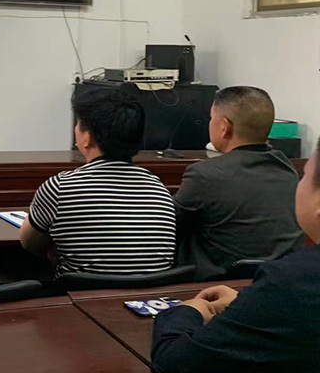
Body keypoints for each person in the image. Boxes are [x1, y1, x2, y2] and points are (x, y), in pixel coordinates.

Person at [152, 138, 320, 372]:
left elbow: (174, 362)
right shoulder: (291, 287)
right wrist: (253, 303)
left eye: (304, 177)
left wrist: (187, 311)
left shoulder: (292, 281)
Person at [20, 88, 176, 277]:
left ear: (87, 137)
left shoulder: (61, 187)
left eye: (78, 124)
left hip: (79, 300)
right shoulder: (157, 187)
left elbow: (28, 242)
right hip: (148, 301)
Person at [174, 86, 303, 280]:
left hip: (219, 284)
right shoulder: (289, 170)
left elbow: (169, 223)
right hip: (281, 278)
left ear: (224, 126)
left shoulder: (205, 174)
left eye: (211, 119)